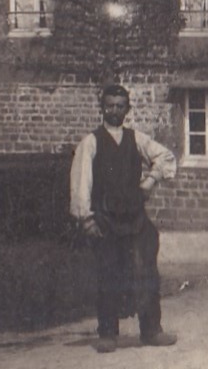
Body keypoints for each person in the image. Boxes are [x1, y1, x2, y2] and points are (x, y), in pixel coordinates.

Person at [69, 84, 178, 353]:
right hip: (106, 220)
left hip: (135, 219)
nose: (114, 110)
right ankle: (107, 333)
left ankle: (151, 329)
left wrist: (150, 181)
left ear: (127, 109)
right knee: (108, 274)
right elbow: (81, 182)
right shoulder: (91, 142)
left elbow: (164, 156)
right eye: (110, 105)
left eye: (120, 106)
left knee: (146, 272)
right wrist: (87, 219)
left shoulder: (136, 139)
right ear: (102, 107)